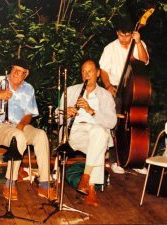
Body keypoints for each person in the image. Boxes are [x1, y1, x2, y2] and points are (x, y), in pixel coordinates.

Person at [0, 59, 57, 201]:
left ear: (25, 75)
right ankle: (10, 182)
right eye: (14, 69)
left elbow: (29, 114)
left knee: (41, 135)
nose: (15, 73)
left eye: (20, 71)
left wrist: (21, 125)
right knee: (18, 137)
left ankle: (44, 184)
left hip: (19, 125)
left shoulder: (29, 89)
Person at [60, 58, 117, 206]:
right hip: (76, 132)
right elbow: (56, 116)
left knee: (99, 134)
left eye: (90, 71)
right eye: (83, 71)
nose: (86, 75)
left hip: (96, 133)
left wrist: (91, 111)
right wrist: (65, 113)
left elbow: (111, 122)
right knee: (99, 142)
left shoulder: (105, 95)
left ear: (98, 73)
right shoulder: (72, 91)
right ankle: (91, 188)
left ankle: (87, 180)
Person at [99, 19, 149, 174]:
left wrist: (139, 43)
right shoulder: (110, 48)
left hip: (134, 90)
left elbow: (145, 60)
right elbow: (103, 70)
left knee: (138, 122)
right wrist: (108, 86)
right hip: (117, 89)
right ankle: (116, 160)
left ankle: (136, 160)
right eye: (121, 36)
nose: (125, 39)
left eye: (127, 36)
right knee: (116, 125)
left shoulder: (138, 44)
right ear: (117, 33)